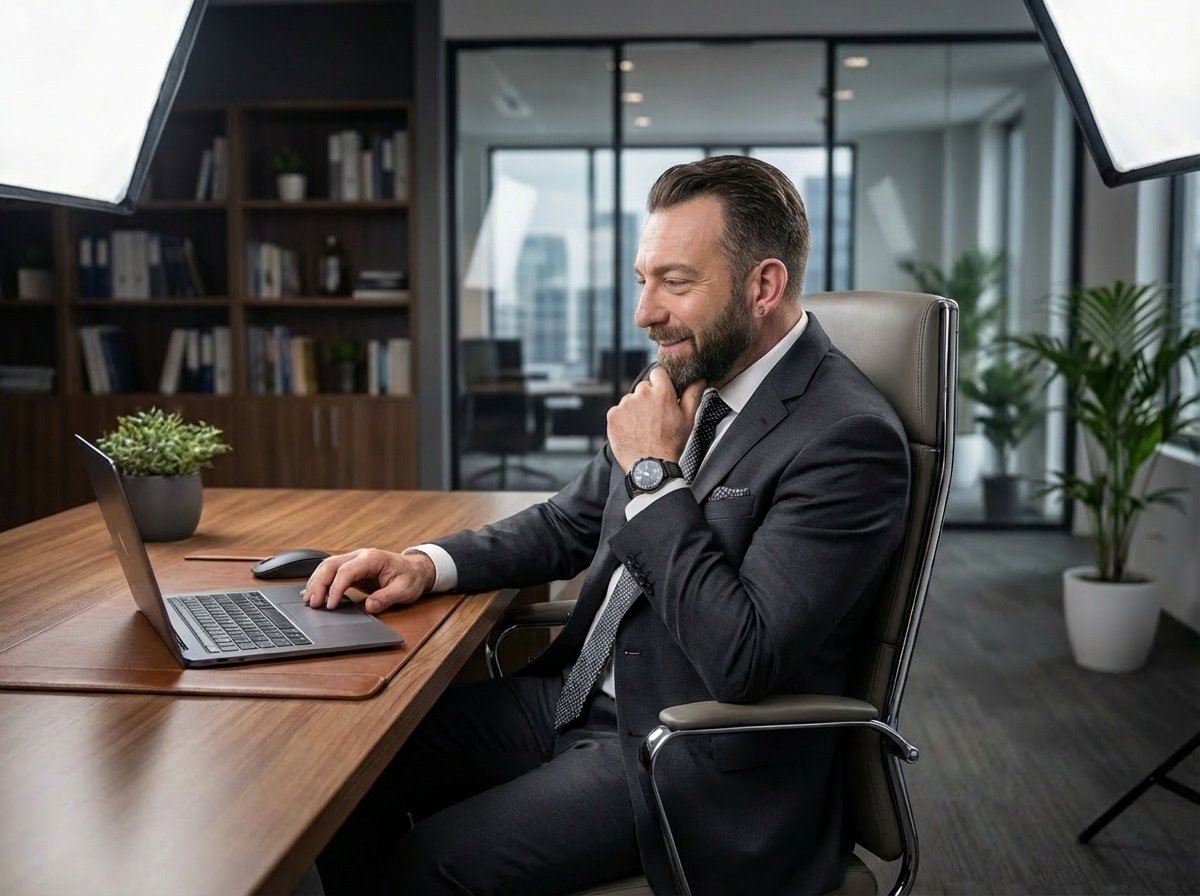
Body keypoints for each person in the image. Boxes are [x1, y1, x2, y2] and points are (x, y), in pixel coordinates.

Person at [307, 155, 911, 896]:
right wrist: (428, 563)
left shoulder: (845, 437)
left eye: (676, 282)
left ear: (764, 286)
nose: (644, 313)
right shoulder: (689, 375)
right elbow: (570, 522)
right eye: (642, 279)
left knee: (425, 865)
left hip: (683, 752)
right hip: (577, 699)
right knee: (338, 772)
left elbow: (745, 657)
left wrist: (656, 475)